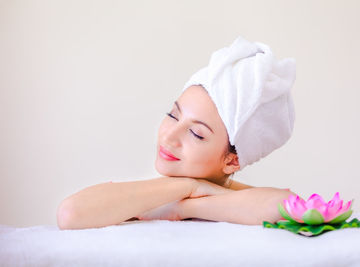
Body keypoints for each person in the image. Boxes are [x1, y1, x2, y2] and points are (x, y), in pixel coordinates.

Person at [57, 36, 297, 230]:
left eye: (196, 133)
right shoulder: (141, 196)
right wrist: (189, 187)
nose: (170, 136)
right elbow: (70, 213)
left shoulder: (235, 198)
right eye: (173, 115)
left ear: (232, 160)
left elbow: (288, 205)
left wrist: (185, 206)